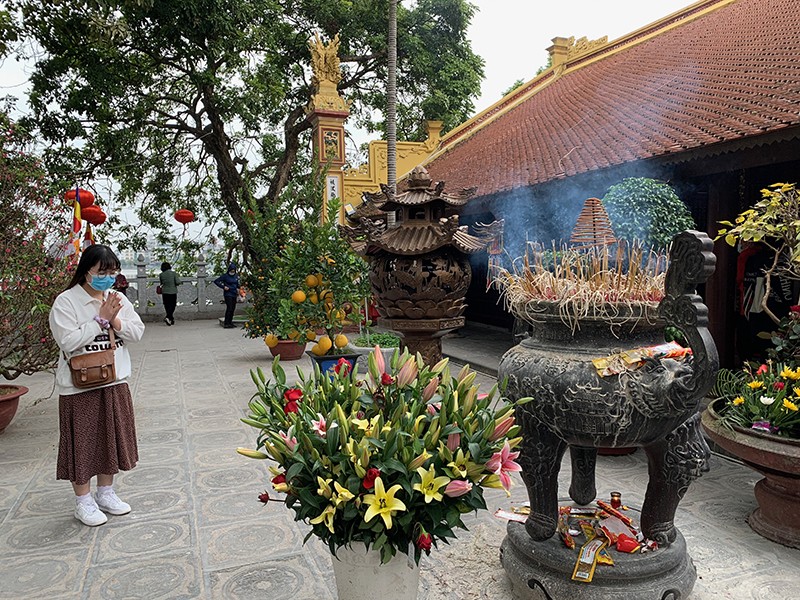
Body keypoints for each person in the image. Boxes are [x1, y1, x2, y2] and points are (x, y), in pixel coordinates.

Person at [48, 244, 145, 527]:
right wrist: (99, 320)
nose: (108, 277)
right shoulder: (67, 302)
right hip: (80, 386)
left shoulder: (116, 298)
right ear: (86, 271)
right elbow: (67, 341)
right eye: (102, 272)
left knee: (111, 439)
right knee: (83, 443)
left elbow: (137, 331)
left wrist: (113, 318)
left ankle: (106, 492)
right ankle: (83, 500)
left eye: (113, 271)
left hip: (114, 380)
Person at [214, 262, 240, 328]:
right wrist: (223, 287)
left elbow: (237, 284)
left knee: (233, 308)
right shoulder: (225, 276)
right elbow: (216, 281)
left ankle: (230, 322)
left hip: (234, 293)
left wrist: (238, 289)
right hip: (228, 294)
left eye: (234, 270)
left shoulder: (236, 276)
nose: (232, 272)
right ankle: (226, 323)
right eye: (231, 270)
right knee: (229, 307)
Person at [158, 262, 182, 326]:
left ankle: (170, 318)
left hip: (165, 292)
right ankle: (168, 317)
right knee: (173, 305)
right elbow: (177, 282)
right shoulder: (174, 274)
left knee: (167, 305)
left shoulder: (161, 275)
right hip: (173, 291)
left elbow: (161, 283)